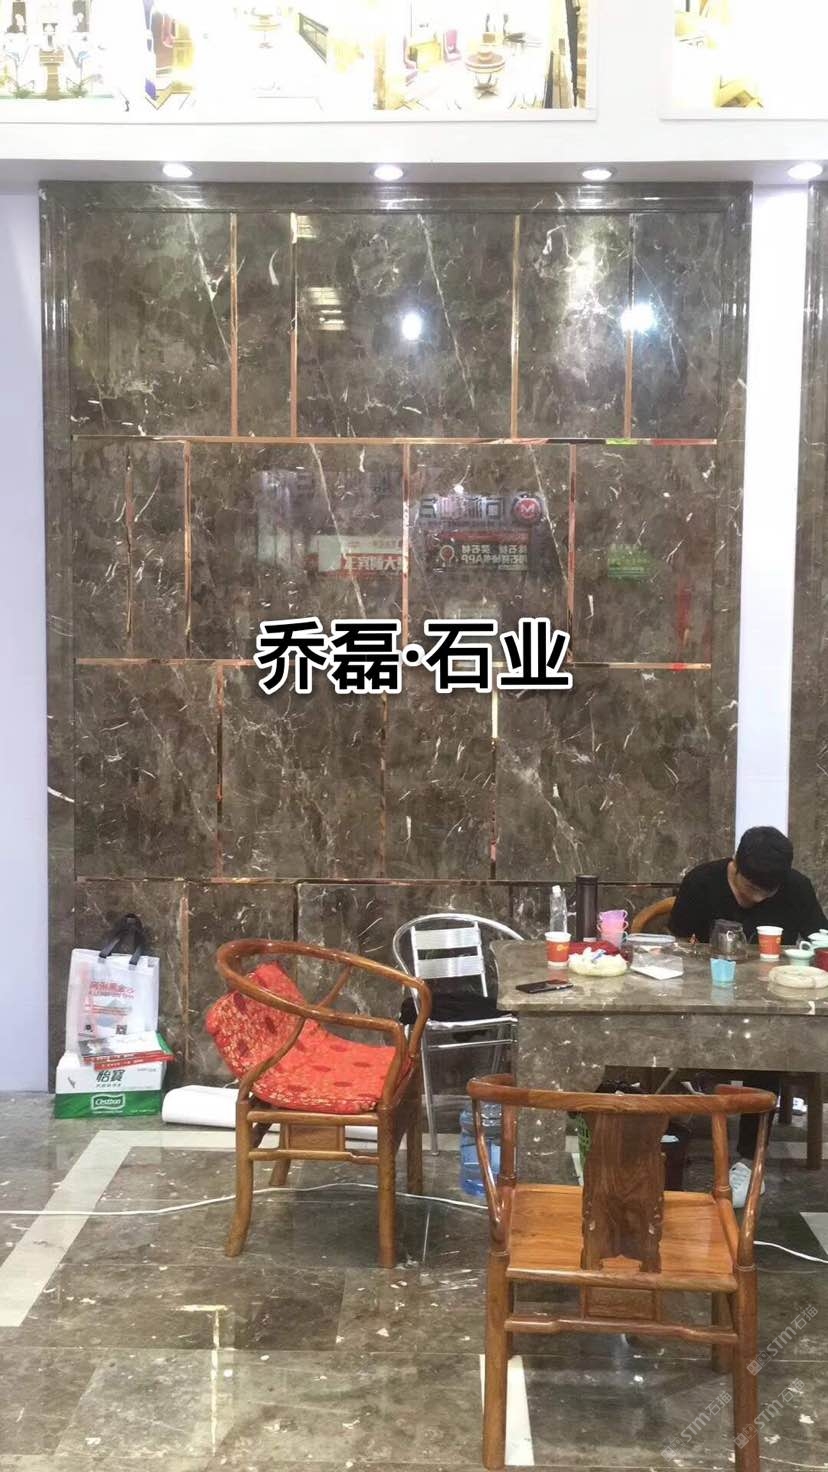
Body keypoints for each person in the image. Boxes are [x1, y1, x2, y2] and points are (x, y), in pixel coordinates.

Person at [669, 826, 827, 1206]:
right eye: (749, 888)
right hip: (705, 999)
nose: (755, 899)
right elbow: (678, 944)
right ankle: (668, 1133)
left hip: (769, 1005)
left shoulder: (797, 888)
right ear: (735, 865)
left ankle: (748, 1159)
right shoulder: (702, 881)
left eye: (765, 894)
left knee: (766, 1044)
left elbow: (819, 939)